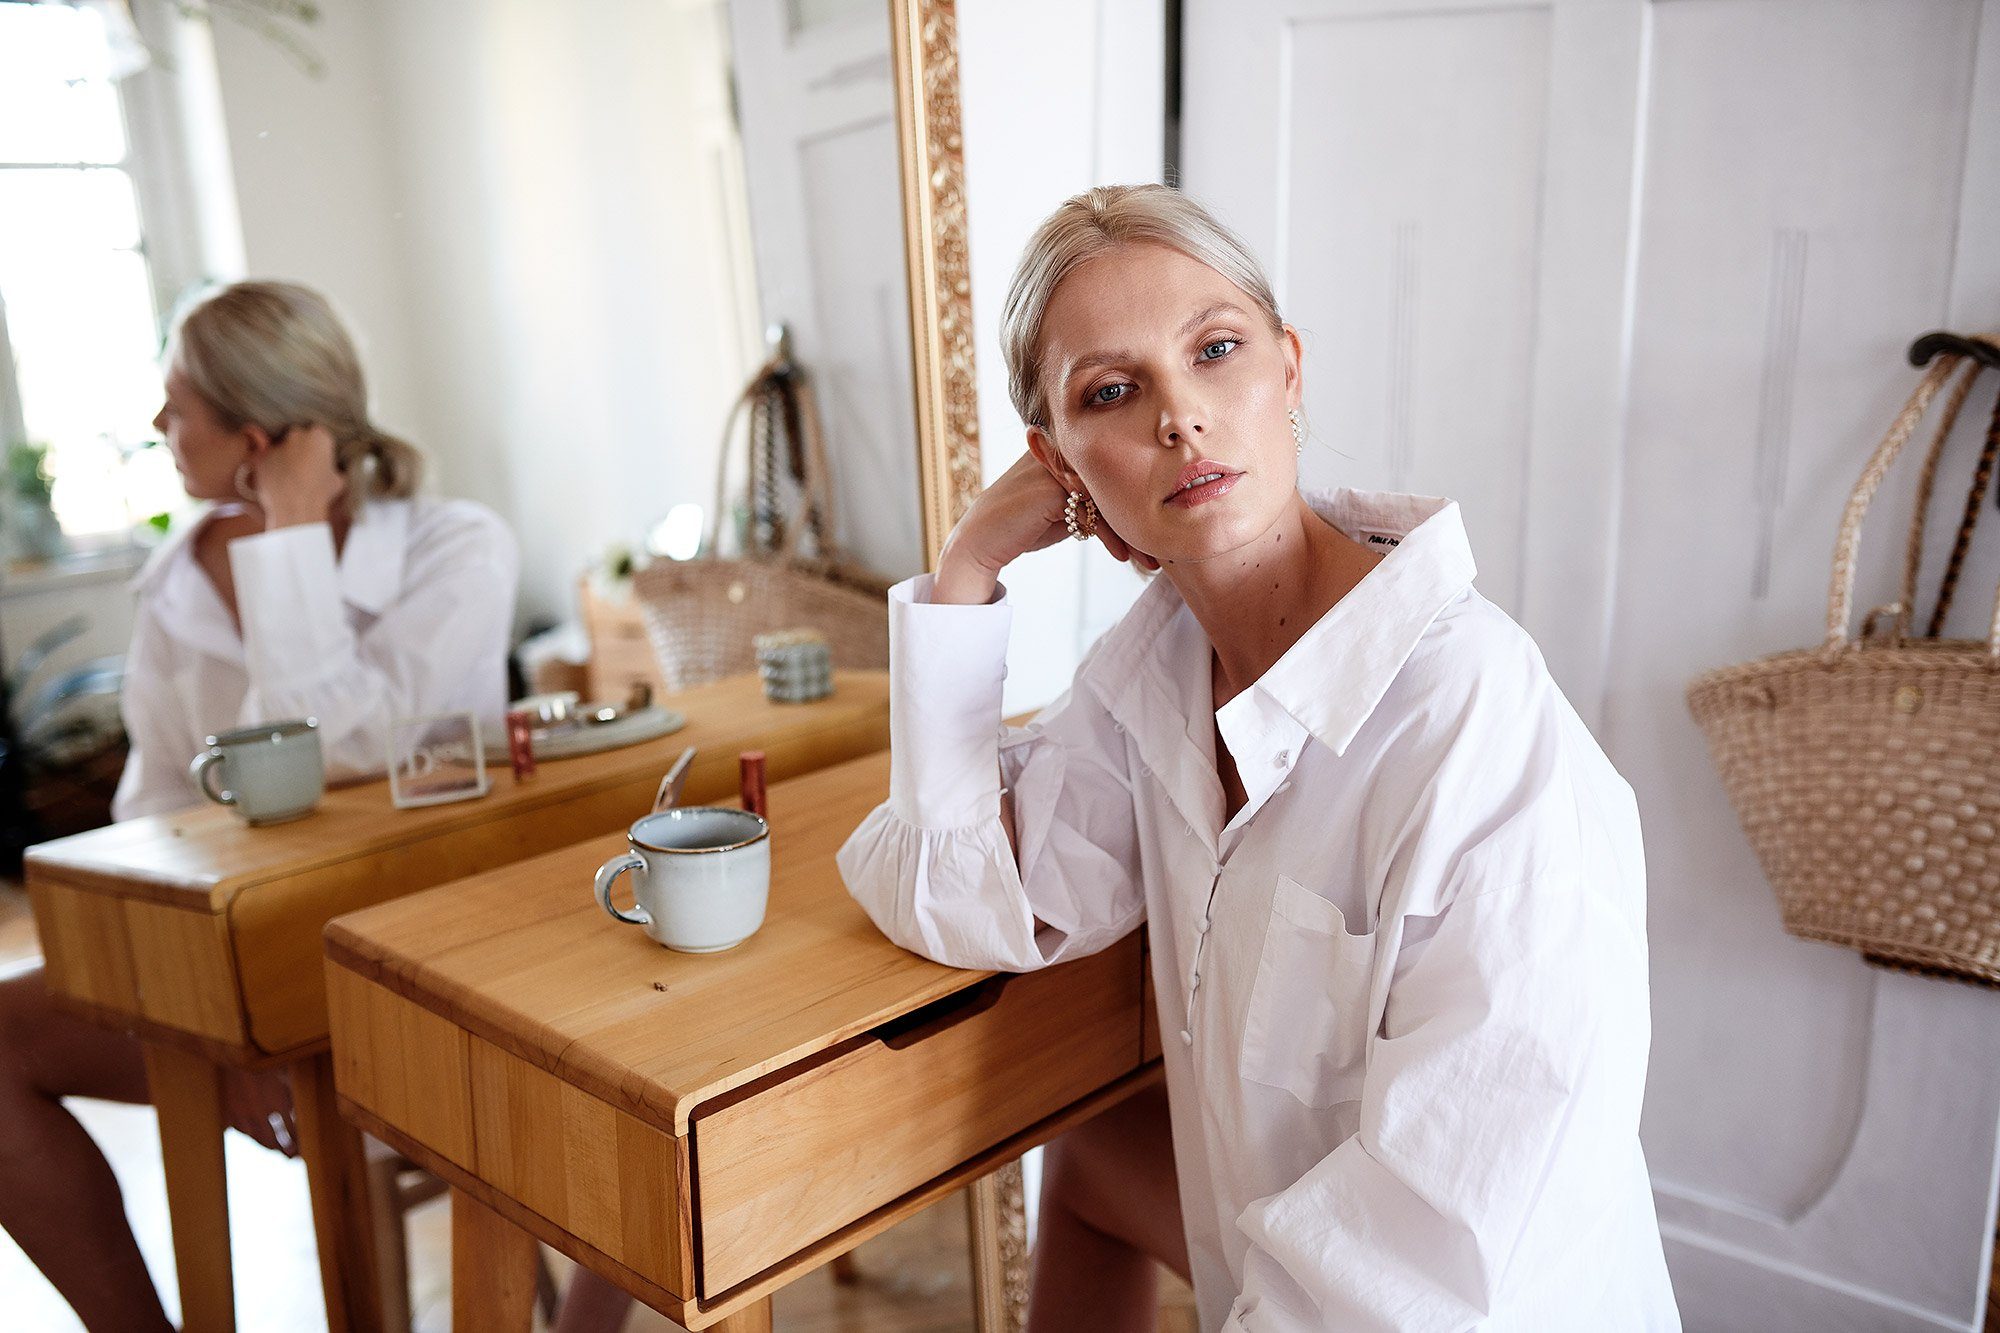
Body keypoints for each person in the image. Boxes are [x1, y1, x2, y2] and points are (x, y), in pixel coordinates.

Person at [836, 185, 1682, 1331]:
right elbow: (956, 890)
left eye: (1215, 349)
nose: (1179, 417)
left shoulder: (1474, 724)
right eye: (1112, 391)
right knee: (1087, 1156)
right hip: (1277, 1279)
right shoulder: (1153, 676)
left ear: (1287, 371)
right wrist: (965, 570)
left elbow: (1435, 1266)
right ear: (1062, 468)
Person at [0, 280, 517, 1331]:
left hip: (419, 975)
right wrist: (202, 1026)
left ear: (255, 432)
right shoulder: (174, 581)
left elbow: (346, 748)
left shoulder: (457, 548)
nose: (157, 427)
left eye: (175, 404)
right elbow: (150, 812)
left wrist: (287, 534)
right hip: (228, 972)